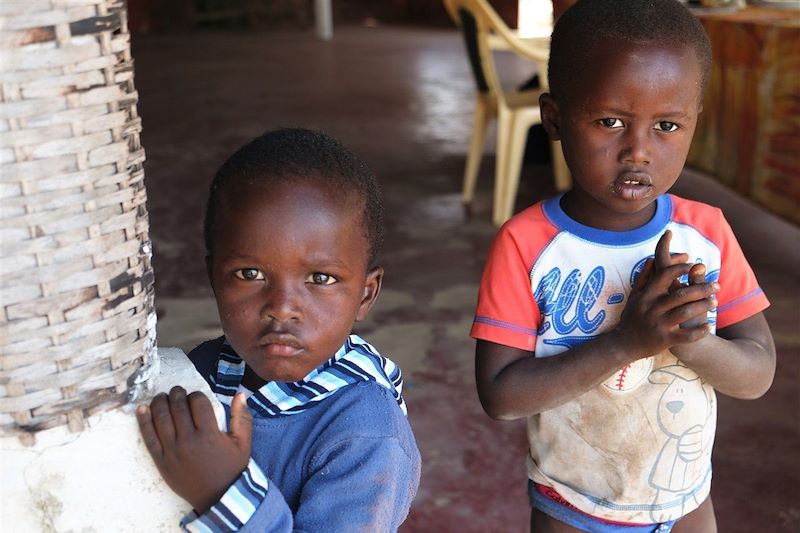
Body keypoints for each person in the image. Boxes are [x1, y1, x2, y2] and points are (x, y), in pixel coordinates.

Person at [471, 0, 776, 531]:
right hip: (571, 506)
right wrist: (628, 342)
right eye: (610, 121)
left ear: (693, 124)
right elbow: (501, 395)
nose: (638, 151)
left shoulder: (705, 234)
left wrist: (688, 339)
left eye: (667, 125)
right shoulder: (526, 245)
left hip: (686, 504)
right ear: (555, 119)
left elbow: (756, 374)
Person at [136, 128, 421, 532]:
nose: (282, 308)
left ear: (365, 294)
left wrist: (223, 491)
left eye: (321, 278)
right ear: (214, 277)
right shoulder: (202, 370)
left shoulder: (366, 434)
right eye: (249, 273)